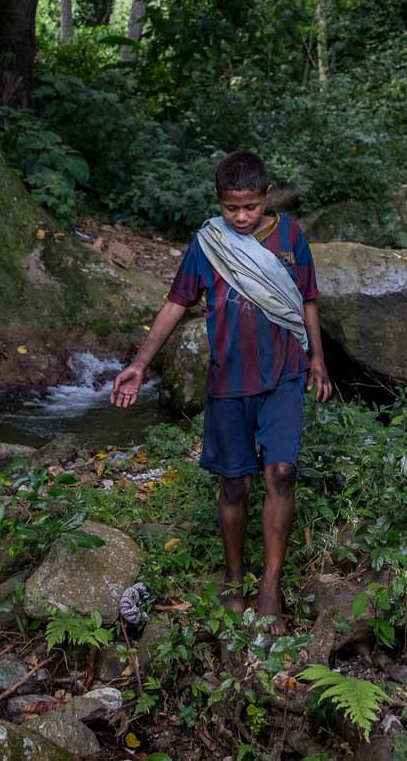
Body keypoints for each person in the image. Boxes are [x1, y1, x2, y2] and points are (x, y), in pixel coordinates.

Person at [110, 150, 331, 632]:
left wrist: (317, 359)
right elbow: (176, 303)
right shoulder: (208, 244)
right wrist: (139, 363)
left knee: (282, 472)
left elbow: (308, 300)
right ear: (218, 203)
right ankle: (234, 578)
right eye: (232, 208)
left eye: (250, 207)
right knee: (235, 483)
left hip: (285, 376)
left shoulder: (291, 238)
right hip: (229, 382)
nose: (242, 217)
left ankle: (269, 585)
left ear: (267, 196)